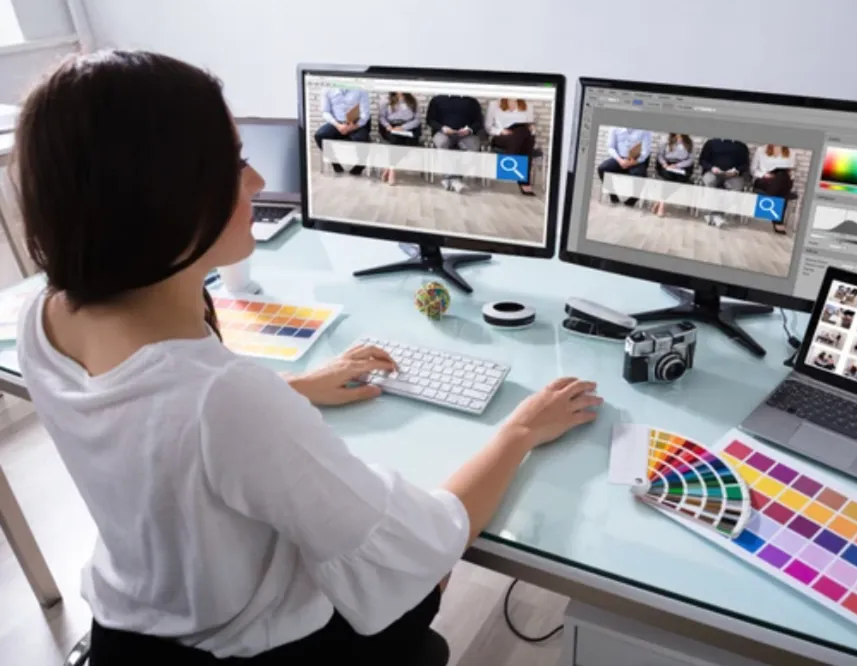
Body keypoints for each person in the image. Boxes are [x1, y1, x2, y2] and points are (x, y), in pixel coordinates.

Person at [13, 50, 603, 665]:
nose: (258, 183)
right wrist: (520, 430)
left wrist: (292, 388)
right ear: (162, 197)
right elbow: (415, 548)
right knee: (425, 562)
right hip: (249, 649)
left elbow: (158, 427)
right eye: (235, 163)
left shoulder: (43, 316)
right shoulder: (224, 400)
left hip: (130, 627)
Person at [426, 94, 484, 194]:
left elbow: (478, 122)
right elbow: (430, 120)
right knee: (442, 143)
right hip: (443, 132)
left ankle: (453, 177)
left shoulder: (471, 101)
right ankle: (454, 178)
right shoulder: (437, 99)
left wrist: (469, 130)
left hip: (466, 134)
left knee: (473, 146)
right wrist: (442, 128)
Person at [485, 98, 537, 196]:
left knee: (523, 132)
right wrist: (501, 131)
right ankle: (524, 182)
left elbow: (531, 127)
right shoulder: (494, 104)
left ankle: (510, 161)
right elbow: (488, 127)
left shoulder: (527, 105)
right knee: (524, 138)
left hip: (522, 137)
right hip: (501, 136)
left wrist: (532, 129)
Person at [314, 85, 371, 175]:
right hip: (337, 123)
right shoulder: (327, 89)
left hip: (355, 123)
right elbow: (325, 112)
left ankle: (360, 166)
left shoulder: (361, 90)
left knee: (363, 140)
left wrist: (353, 127)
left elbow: (365, 114)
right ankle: (334, 162)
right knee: (319, 135)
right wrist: (337, 125)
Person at [698, 138, 749, 227]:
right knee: (710, 181)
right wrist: (712, 168)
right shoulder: (711, 143)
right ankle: (715, 214)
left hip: (734, 175)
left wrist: (736, 170)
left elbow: (745, 165)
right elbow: (702, 161)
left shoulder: (741, 146)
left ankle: (718, 214)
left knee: (736, 187)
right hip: (713, 172)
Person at [596, 127, 652, 207]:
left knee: (641, 175)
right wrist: (620, 160)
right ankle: (612, 194)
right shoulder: (615, 128)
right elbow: (611, 147)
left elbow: (646, 151)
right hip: (619, 158)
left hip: (636, 160)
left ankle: (634, 198)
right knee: (602, 168)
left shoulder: (645, 130)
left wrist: (632, 162)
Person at [750, 144, 796, 234]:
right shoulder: (761, 150)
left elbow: (791, 173)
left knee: (781, 175)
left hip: (782, 181)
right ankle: (778, 221)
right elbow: (753, 170)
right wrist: (764, 175)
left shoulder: (791, 152)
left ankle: (769, 206)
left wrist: (790, 175)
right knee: (781, 187)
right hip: (764, 180)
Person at [379, 92, 422, 185]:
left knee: (409, 142)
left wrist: (403, 128)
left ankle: (388, 168)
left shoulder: (413, 101)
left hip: (408, 127)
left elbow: (417, 119)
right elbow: (382, 117)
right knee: (396, 142)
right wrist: (387, 126)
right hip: (392, 127)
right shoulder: (386, 100)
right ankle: (392, 172)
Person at [651, 133, 694, 217]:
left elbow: (690, 160)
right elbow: (660, 155)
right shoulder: (665, 139)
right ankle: (662, 206)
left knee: (679, 180)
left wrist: (677, 166)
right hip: (667, 164)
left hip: (682, 166)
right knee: (668, 178)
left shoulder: (689, 142)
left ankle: (659, 201)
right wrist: (664, 164)